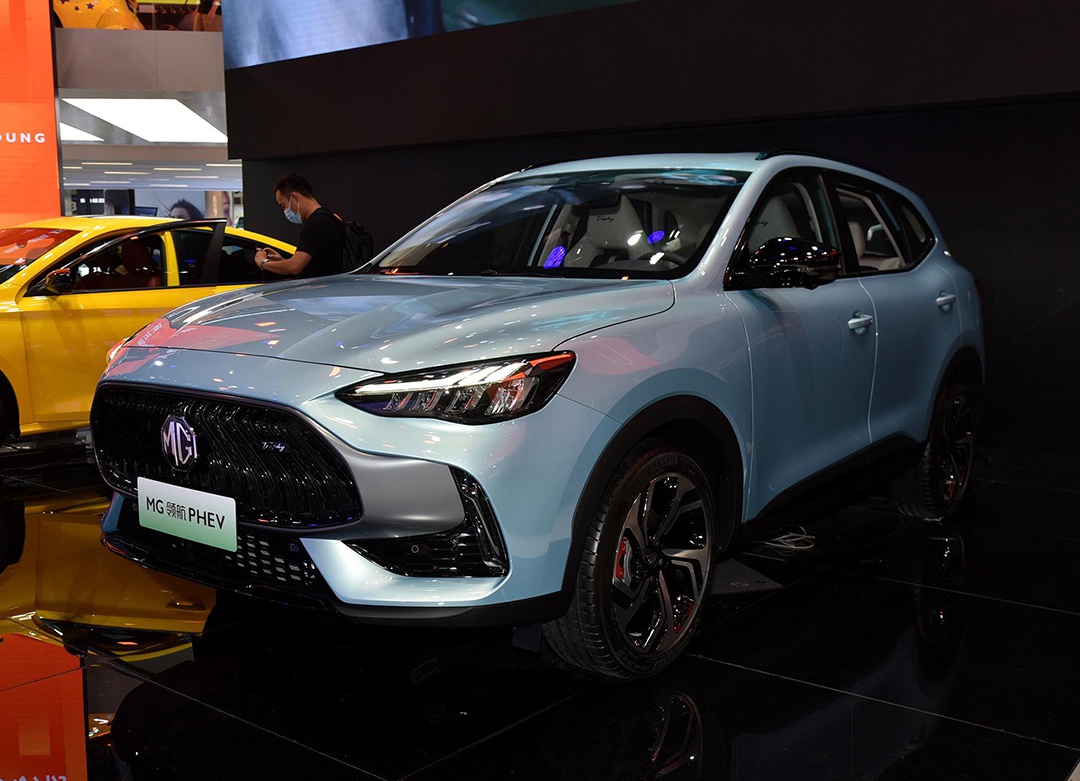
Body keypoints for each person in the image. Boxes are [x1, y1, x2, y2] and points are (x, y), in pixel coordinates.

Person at [255, 174, 344, 278]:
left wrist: (263, 262)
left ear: (294, 198)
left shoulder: (315, 224)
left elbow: (294, 267)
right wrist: (282, 261)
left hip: (324, 287)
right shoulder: (330, 217)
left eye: (283, 206)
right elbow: (316, 265)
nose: (285, 211)